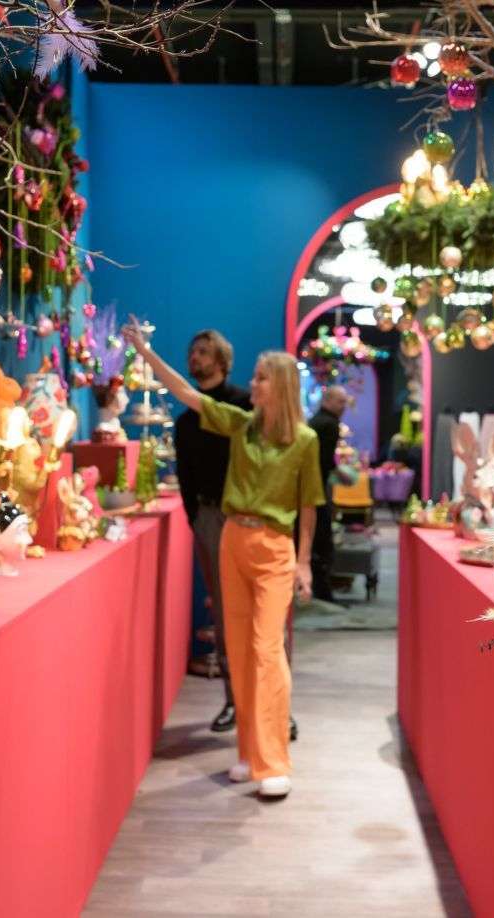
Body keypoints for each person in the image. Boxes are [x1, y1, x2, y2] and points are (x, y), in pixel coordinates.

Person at [124, 320, 324, 799]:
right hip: (234, 539)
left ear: (280, 386)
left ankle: (274, 760)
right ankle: (250, 754)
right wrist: (145, 353)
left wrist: (303, 562)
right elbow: (184, 393)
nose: (252, 384)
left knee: (267, 649)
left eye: (261, 378)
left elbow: (309, 504)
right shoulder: (240, 425)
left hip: (274, 547)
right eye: (254, 376)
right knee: (238, 649)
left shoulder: (304, 440)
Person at [173, 330, 252, 734]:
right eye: (192, 351)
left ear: (221, 359)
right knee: (224, 611)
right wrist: (197, 518)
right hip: (208, 518)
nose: (195, 357)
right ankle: (234, 700)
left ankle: (274, 706)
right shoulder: (185, 422)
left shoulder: (244, 405)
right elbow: (185, 476)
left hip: (248, 519)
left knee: (264, 612)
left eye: (203, 351)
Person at [307, 386, 348, 603]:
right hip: (317, 493)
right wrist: (339, 473)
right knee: (322, 544)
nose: (344, 407)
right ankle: (323, 594)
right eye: (340, 402)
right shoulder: (330, 424)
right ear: (328, 400)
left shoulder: (315, 421)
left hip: (310, 490)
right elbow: (324, 461)